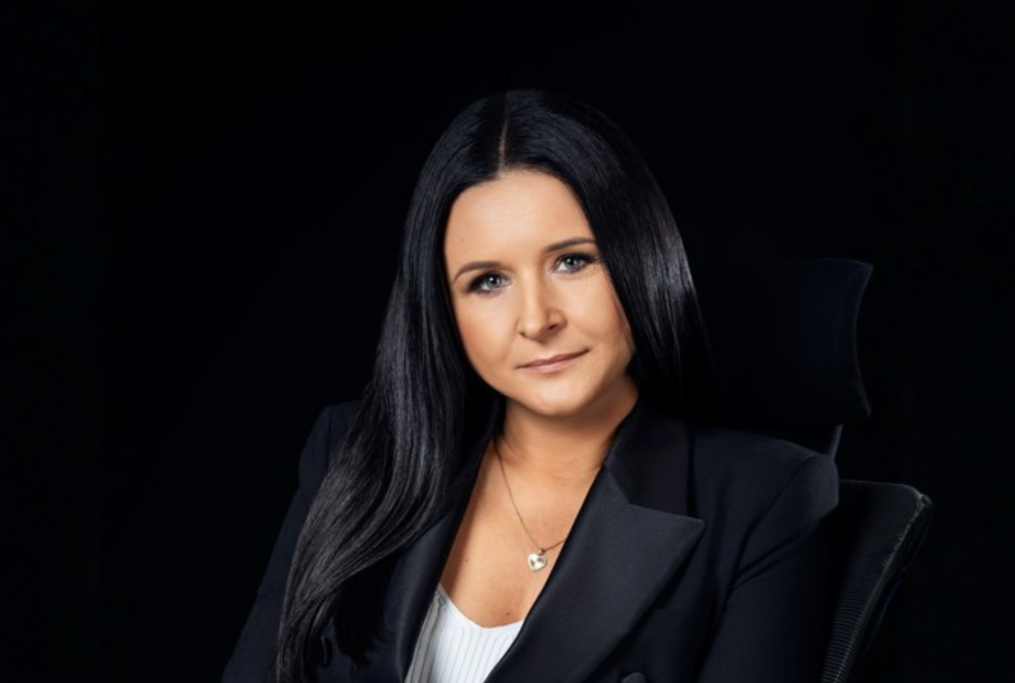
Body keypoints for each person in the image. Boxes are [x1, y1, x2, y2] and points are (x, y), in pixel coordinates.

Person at [223, 89, 838, 683]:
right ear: (444, 308)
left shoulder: (764, 497)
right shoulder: (355, 453)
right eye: (489, 281)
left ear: (641, 257)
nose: (537, 320)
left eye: (572, 261)